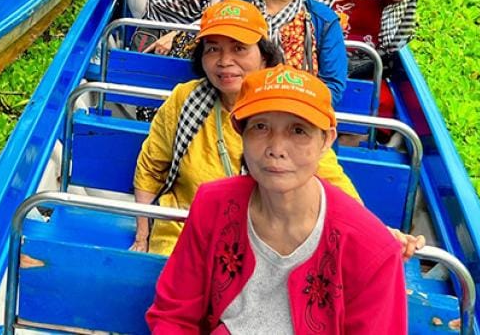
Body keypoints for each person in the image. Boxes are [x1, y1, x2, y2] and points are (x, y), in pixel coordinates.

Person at [147, 66, 413, 333]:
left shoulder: (371, 250)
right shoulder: (213, 204)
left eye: (298, 131)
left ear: (326, 140)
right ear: (241, 134)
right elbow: (174, 315)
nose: (276, 149)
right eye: (260, 127)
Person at [131, 1, 360, 256]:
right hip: (183, 231)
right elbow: (151, 167)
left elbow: (332, 181)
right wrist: (142, 235)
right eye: (213, 49)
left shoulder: (288, 106)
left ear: (264, 55)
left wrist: (370, 233)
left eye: (239, 48)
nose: (224, 61)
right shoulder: (185, 99)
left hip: (261, 243)